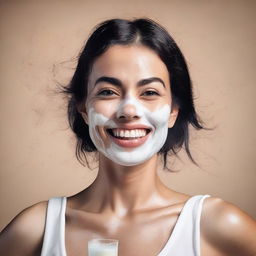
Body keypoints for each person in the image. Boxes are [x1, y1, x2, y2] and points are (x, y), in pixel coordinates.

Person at [0, 18, 255, 256]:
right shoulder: (35, 230)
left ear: (173, 111)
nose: (129, 111)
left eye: (150, 92)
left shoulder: (218, 226)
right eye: (108, 92)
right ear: (83, 108)